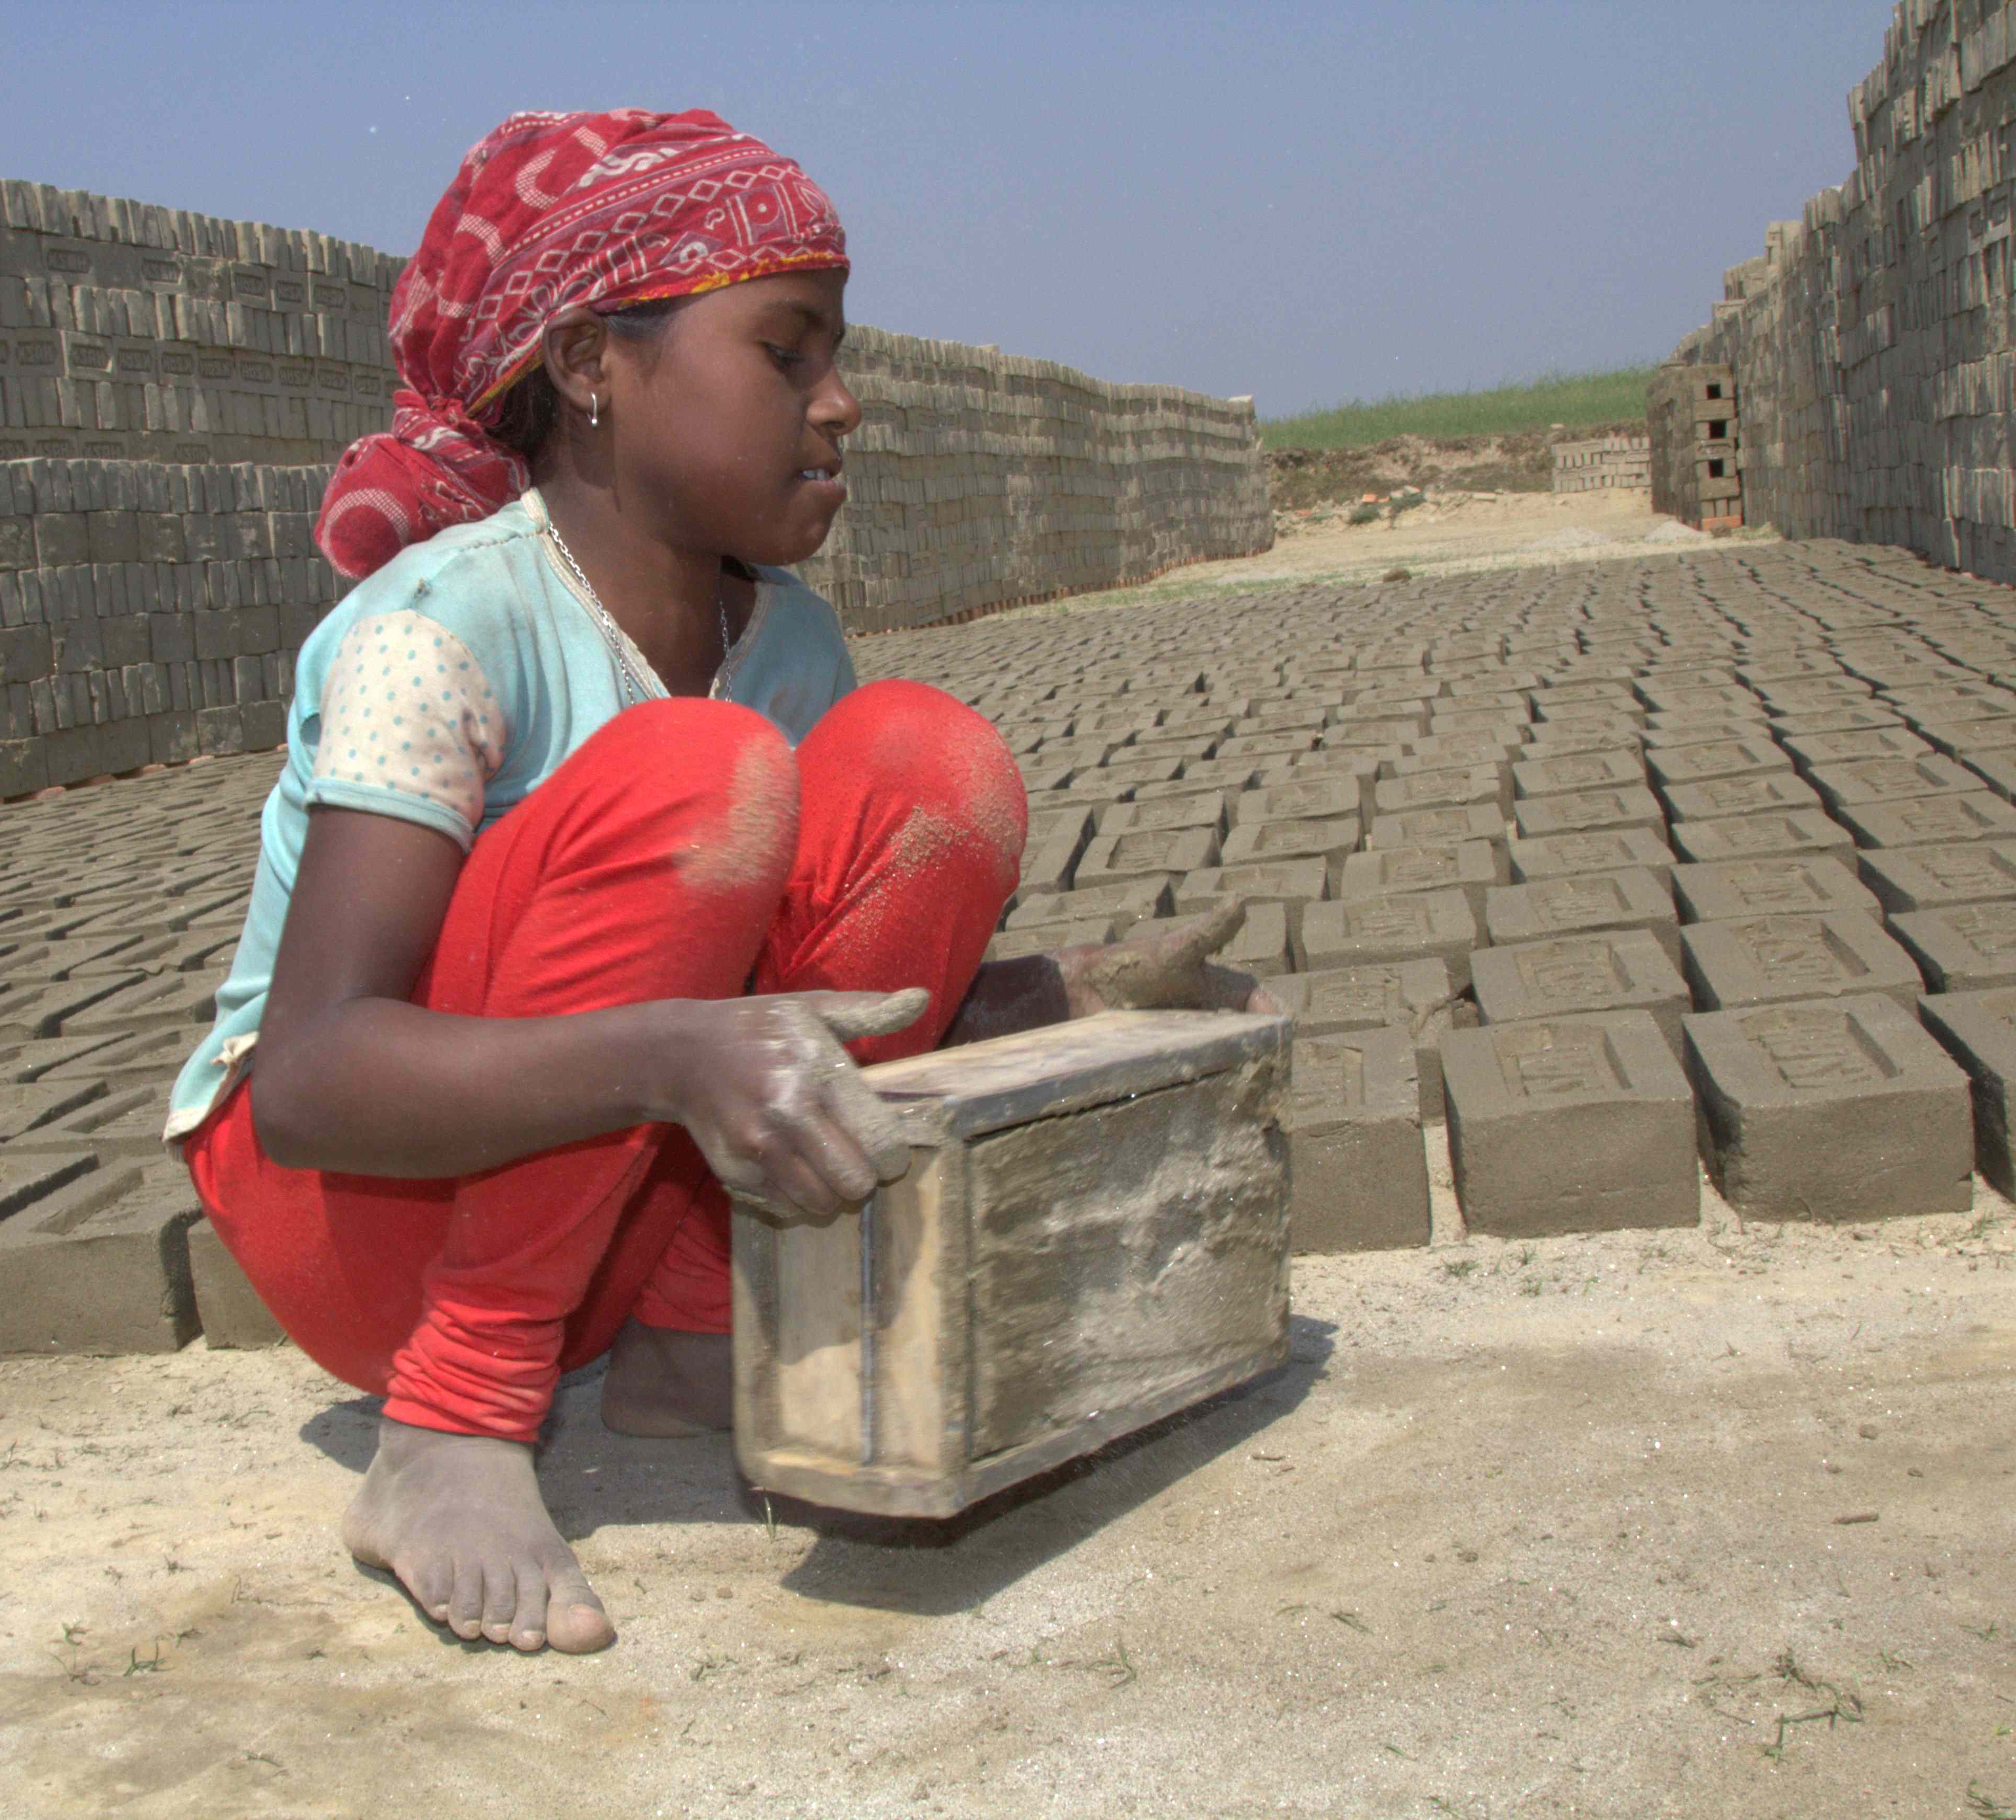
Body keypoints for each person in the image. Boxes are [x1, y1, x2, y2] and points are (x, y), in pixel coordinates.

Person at [168, 108, 1266, 1657]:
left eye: (835, 354)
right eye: (785, 351)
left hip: (608, 1205)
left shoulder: (794, 645)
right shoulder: (439, 630)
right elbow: (312, 1079)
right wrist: (673, 1051)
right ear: (589, 369)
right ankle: (457, 1422)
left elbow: (801, 1000)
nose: (843, 402)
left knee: (928, 766)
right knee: (702, 778)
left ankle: (699, 1337)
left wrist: (1061, 991)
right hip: (359, 1212)